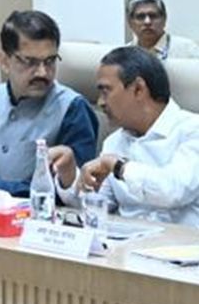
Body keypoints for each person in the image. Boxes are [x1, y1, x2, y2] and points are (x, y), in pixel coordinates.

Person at [0, 10, 98, 197]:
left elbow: (77, 190)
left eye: (50, 61)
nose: (42, 72)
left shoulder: (73, 107)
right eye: (29, 62)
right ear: (4, 61)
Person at [52, 46, 199, 227]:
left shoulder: (192, 130)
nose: (100, 102)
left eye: (106, 91)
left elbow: (173, 191)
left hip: (183, 241)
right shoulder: (114, 142)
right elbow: (97, 204)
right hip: (127, 240)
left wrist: (119, 167)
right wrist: (68, 174)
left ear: (138, 89)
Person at [125, 0, 199, 60]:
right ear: (130, 22)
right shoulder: (124, 54)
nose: (147, 22)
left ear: (164, 19)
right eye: (140, 17)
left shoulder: (187, 49)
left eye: (153, 16)